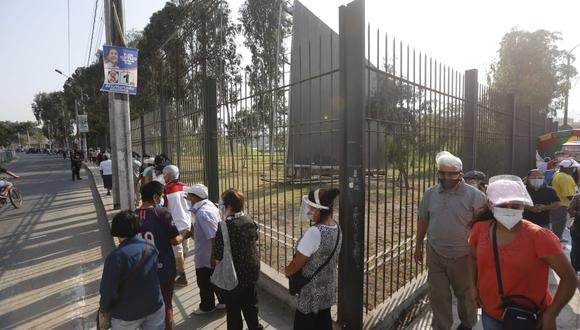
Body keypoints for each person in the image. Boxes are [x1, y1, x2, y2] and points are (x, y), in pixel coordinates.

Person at [468, 175, 577, 330]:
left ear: (523, 206)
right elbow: (472, 258)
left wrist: (551, 314)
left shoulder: (539, 236)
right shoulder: (480, 230)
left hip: (529, 317)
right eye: (503, 205)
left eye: (516, 206)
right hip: (490, 313)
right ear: (491, 205)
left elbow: (569, 278)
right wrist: (472, 287)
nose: (510, 210)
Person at [414, 151, 486, 330]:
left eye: (451, 173)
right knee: (438, 295)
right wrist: (418, 246)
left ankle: (468, 325)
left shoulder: (475, 196)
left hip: (464, 256)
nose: (446, 177)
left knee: (467, 295)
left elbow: (484, 225)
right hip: (435, 252)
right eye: (442, 173)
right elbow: (423, 219)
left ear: (460, 174)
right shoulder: (430, 194)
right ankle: (441, 326)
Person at [285, 188, 341, 330]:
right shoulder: (336, 227)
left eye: (310, 207)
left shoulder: (314, 233)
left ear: (317, 210)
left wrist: (287, 271)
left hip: (310, 296)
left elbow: (297, 263)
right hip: (327, 290)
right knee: (323, 323)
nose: (308, 210)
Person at [99, 210, 165, 330]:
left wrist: (104, 308)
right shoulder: (150, 247)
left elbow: (108, 290)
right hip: (154, 306)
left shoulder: (116, 257)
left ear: (116, 230)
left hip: (127, 314)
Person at [213, 188, 262, 330]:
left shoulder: (224, 227)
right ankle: (255, 327)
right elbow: (254, 238)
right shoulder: (248, 220)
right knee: (251, 304)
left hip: (233, 274)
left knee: (233, 309)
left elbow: (218, 254)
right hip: (251, 270)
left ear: (228, 206)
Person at [138, 181, 185, 330]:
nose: (163, 198)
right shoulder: (162, 213)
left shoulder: (132, 216)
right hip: (163, 266)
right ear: (155, 197)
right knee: (166, 304)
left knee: (146, 304)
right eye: (162, 195)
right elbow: (174, 240)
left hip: (140, 269)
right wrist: (186, 235)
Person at [183, 184, 224, 314]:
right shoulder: (205, 206)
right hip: (207, 252)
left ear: (195, 197)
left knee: (204, 281)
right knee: (214, 278)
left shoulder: (203, 213)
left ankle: (207, 306)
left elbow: (213, 236)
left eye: (189, 194)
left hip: (206, 254)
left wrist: (213, 256)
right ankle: (223, 301)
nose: (187, 195)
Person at [162, 165, 192, 286]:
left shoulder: (166, 190)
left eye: (164, 175)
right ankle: (180, 269)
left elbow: (163, 208)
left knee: (178, 252)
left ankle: (182, 276)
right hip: (187, 223)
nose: (163, 177)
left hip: (175, 225)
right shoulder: (186, 187)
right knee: (185, 249)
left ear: (168, 175)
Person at [550, 159, 579, 240]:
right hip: (562, 204)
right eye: (572, 168)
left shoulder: (558, 173)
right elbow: (569, 195)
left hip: (558, 203)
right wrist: (576, 204)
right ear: (567, 168)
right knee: (559, 222)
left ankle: (557, 237)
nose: (573, 170)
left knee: (557, 222)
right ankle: (557, 239)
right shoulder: (565, 177)